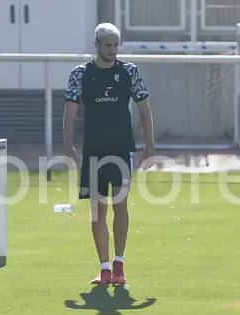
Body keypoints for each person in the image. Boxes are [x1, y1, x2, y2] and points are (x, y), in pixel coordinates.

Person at [63, 23, 155, 286]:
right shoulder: (80, 74)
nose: (112, 50)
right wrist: (68, 143)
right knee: (98, 211)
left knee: (120, 204)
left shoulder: (129, 71)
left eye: (116, 45)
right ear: (97, 45)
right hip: (94, 149)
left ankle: (119, 265)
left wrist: (150, 144)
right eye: (107, 45)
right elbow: (70, 111)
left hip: (122, 148)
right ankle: (104, 269)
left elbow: (143, 108)